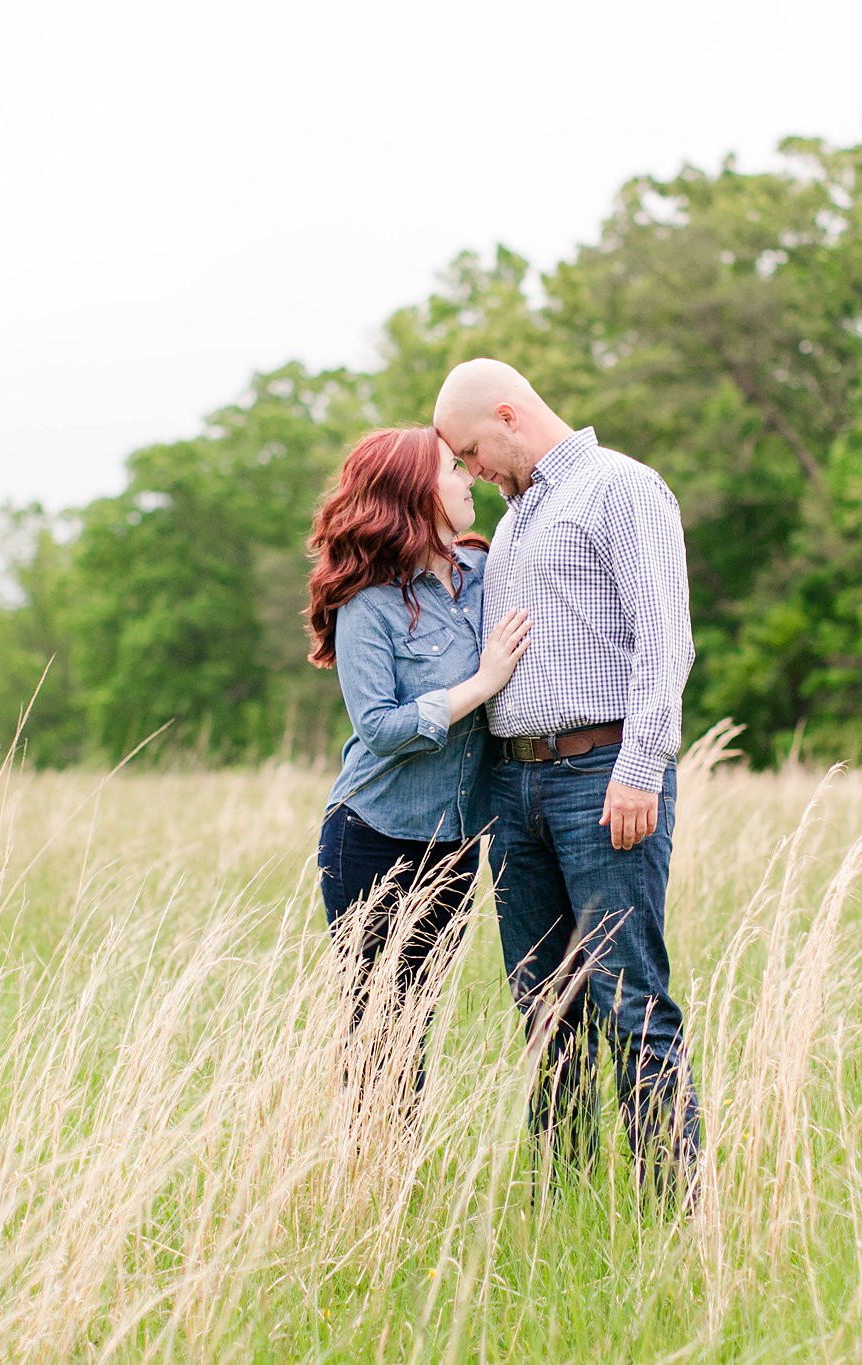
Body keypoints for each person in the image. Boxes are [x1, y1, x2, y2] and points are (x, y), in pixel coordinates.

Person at [432, 358, 701, 1194]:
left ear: (509, 416)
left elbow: (666, 640)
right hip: (516, 791)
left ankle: (675, 1204)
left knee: (630, 999)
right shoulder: (513, 524)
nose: (470, 471)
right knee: (546, 1010)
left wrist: (640, 767)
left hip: (602, 776)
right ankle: (567, 1206)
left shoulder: (621, 488)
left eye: (472, 452)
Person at [304, 425, 532, 1109]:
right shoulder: (366, 604)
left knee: (417, 1020)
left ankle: (392, 1188)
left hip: (456, 843)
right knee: (377, 1028)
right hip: (371, 837)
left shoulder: (488, 573)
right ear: (416, 493)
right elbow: (378, 728)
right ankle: (369, 1181)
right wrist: (481, 683)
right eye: (452, 469)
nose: (468, 479)